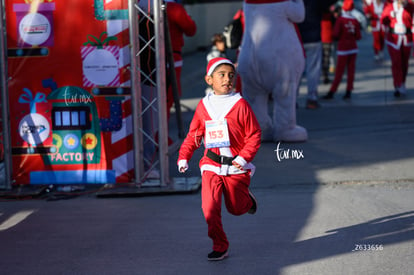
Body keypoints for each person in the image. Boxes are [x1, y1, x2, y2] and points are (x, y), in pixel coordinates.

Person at [177, 57, 261, 261]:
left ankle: (246, 201)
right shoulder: (204, 106)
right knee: (210, 208)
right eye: (221, 75)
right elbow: (195, 134)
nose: (227, 79)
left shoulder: (240, 105)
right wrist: (183, 156)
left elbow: (254, 135)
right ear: (209, 80)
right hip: (211, 164)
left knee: (236, 208)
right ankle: (220, 245)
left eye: (231, 75)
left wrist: (243, 158)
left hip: (235, 166)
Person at [238, 0, 308, 143]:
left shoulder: (248, 3)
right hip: (277, 56)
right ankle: (285, 129)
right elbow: (299, 15)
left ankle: (259, 129)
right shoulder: (283, 2)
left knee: (254, 96)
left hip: (249, 54)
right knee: (284, 92)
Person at [297, 0, 337, 109]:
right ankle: (312, 98)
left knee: (295, 70)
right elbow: (326, 6)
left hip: (297, 37)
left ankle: (292, 98)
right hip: (313, 36)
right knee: (313, 69)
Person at [322, 0, 362, 100]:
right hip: (353, 48)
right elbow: (358, 36)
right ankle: (349, 91)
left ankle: (332, 91)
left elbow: (335, 34)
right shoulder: (355, 20)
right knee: (351, 71)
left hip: (343, 48)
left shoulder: (340, 20)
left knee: (339, 71)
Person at [165, 0, 197, 120]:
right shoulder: (173, 8)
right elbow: (191, 29)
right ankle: (162, 136)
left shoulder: (142, 6)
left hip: (145, 58)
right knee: (167, 97)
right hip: (172, 57)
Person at [381, 0, 413, 97]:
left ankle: (402, 82)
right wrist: (390, 16)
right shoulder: (390, 7)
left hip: (406, 38)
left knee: (404, 63)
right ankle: (397, 85)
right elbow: (383, 20)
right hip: (393, 39)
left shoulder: (410, 7)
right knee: (396, 62)